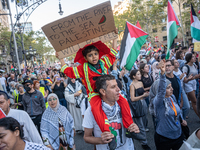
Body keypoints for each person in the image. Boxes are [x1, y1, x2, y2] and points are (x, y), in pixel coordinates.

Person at [57, 40, 134, 147]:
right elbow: (67, 71)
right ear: (85, 58)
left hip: (108, 92)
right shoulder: (82, 68)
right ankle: (109, 136)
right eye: (90, 55)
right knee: (97, 111)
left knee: (124, 101)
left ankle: (129, 127)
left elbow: (112, 53)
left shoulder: (104, 62)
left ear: (98, 54)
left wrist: (114, 38)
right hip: (94, 94)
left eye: (95, 54)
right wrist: (60, 58)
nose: (94, 57)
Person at [83, 75, 139, 150]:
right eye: (113, 87)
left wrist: (133, 127)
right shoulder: (90, 111)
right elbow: (86, 137)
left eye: (117, 86)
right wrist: (100, 140)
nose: (118, 89)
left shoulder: (124, 104)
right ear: (103, 91)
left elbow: (130, 124)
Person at [150, 60, 187, 150]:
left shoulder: (172, 97)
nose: (172, 89)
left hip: (178, 135)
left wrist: (182, 119)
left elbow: (176, 109)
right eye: (169, 87)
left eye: (171, 86)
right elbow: (162, 90)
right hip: (164, 138)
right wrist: (162, 74)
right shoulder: (158, 102)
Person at [129, 69, 151, 150]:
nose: (140, 75)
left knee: (144, 120)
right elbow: (132, 98)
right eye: (138, 74)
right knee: (140, 124)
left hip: (143, 103)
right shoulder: (132, 85)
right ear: (134, 76)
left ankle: (141, 136)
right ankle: (144, 143)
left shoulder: (140, 82)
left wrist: (147, 89)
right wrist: (142, 96)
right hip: (137, 105)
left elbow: (142, 90)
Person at [182, 53, 200, 118]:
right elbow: (184, 80)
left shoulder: (194, 65)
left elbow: (195, 76)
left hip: (194, 83)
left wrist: (196, 77)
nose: (195, 58)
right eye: (193, 57)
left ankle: (184, 112)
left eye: (195, 57)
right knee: (194, 101)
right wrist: (191, 78)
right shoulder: (185, 67)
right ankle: (199, 116)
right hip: (188, 84)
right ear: (189, 59)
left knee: (191, 100)